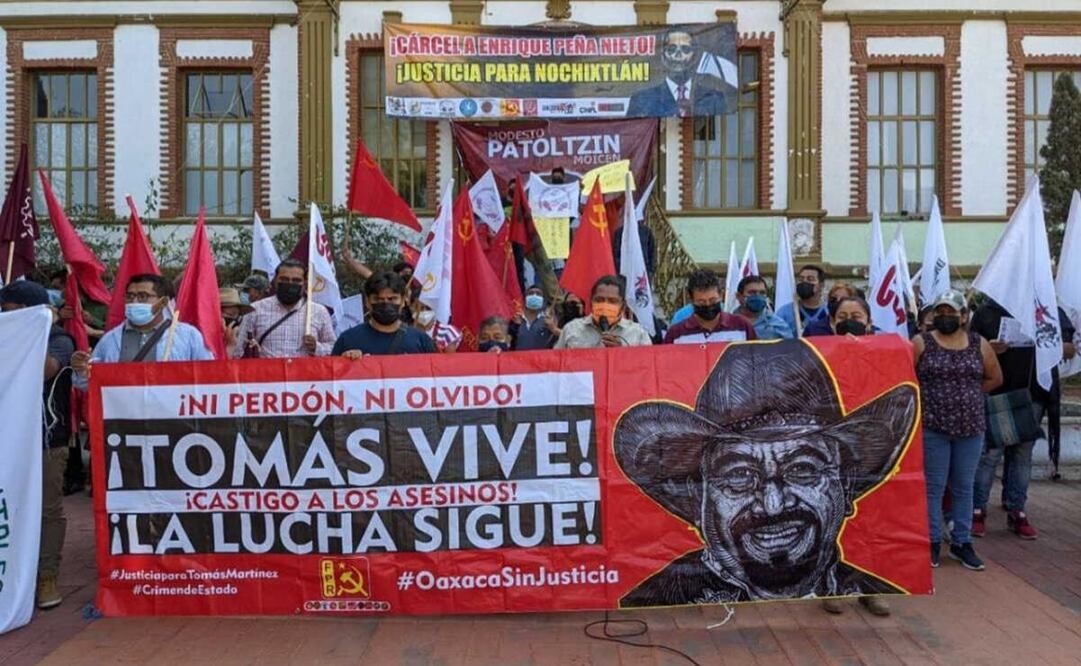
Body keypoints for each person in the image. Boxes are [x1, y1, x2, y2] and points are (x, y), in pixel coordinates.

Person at [614, 341, 918, 605]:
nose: (773, 503)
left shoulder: (876, 588)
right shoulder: (653, 600)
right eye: (738, 476)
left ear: (846, 484)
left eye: (802, 469)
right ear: (698, 495)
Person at [969, 298, 1077, 540]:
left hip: (1034, 395)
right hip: (997, 393)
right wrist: (988, 348)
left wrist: (1049, 345)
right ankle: (977, 510)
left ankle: (1017, 510)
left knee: (1022, 454)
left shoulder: (1048, 310)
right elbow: (968, 346)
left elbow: (1070, 349)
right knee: (989, 455)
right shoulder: (987, 312)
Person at [912, 289, 1002, 571]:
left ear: (964, 316)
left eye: (952, 311)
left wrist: (970, 397)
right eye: (940, 311)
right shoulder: (921, 342)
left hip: (970, 428)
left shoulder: (979, 344)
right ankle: (932, 541)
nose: (945, 316)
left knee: (965, 487)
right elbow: (908, 378)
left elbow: (995, 377)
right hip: (933, 428)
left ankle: (962, 542)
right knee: (934, 488)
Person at [0, 281, 74, 610]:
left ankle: (46, 575)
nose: (9, 319)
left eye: (17, 314)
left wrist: (31, 333)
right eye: (5, 313)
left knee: (47, 509)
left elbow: (46, 370)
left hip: (47, 440)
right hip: (10, 439)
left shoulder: (59, 340)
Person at [72, 274, 214, 391]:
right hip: (124, 421)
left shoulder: (188, 336)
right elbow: (86, 386)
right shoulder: (110, 339)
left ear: (163, 302)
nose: (134, 301)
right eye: (129, 296)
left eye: (143, 296)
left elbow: (208, 377)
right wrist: (82, 371)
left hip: (173, 421)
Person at [233, 259, 336, 358]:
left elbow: (334, 348)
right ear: (275, 281)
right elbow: (238, 350)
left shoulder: (319, 312)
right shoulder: (255, 310)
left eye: (296, 280)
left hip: (305, 374)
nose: (290, 284)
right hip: (267, 374)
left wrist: (317, 347)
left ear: (304, 284)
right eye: (284, 279)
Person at [626, 28, 733, 118]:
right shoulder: (642, 100)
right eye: (671, 49)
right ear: (663, 55)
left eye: (685, 49)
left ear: (694, 56)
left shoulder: (715, 99)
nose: (678, 54)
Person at [333, 272, 436, 358]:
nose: (386, 304)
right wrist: (345, 362)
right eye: (378, 299)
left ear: (403, 301)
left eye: (392, 299)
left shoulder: (422, 341)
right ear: (367, 302)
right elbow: (332, 378)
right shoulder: (347, 340)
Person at [554, 276, 652, 349]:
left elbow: (647, 369)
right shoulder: (571, 329)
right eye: (599, 300)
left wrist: (623, 354)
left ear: (623, 306)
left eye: (612, 301)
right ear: (591, 302)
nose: (605, 305)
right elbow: (557, 365)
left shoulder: (638, 334)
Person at [665, 269, 756, 344]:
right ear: (691, 300)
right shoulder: (676, 333)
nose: (708, 305)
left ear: (721, 295)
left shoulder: (742, 327)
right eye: (701, 302)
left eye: (712, 300)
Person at [732, 275, 793, 340]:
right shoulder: (727, 325)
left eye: (762, 293)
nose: (758, 296)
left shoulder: (777, 325)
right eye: (752, 293)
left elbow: (790, 348)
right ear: (738, 296)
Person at [777, 265, 829, 337]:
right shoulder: (784, 312)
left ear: (821, 285)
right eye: (801, 279)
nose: (804, 282)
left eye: (810, 279)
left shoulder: (829, 312)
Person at [512, 285, 559, 351]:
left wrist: (554, 329)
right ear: (525, 298)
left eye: (538, 294)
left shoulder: (548, 319)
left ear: (543, 299)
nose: (534, 296)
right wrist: (514, 326)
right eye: (531, 293)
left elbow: (567, 337)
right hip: (518, 359)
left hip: (541, 359)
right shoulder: (516, 318)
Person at [219, 287, 253, 357]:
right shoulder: (202, 339)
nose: (234, 320)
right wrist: (230, 346)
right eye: (230, 314)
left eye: (237, 315)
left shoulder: (237, 337)